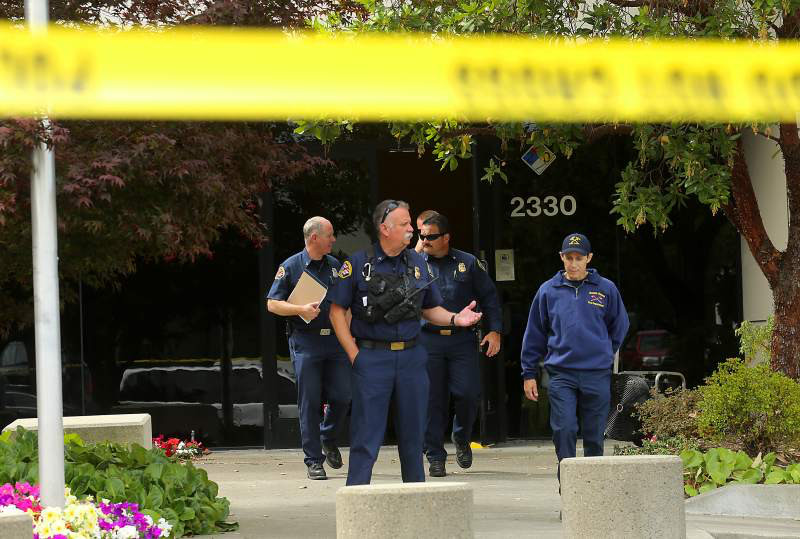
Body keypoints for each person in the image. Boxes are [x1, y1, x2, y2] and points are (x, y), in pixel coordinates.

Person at [329, 199, 483, 486]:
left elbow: (430, 308)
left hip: (412, 359)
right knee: (366, 438)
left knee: (414, 438)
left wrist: (455, 319)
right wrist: (354, 354)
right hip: (372, 358)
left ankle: (416, 508)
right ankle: (358, 508)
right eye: (404, 225)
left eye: (410, 223)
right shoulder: (359, 263)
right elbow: (337, 311)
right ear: (384, 229)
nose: (411, 229)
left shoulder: (417, 263)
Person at [520, 232, 629, 484]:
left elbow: (620, 325)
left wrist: (604, 350)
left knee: (594, 436)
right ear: (561, 258)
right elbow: (534, 333)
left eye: (579, 258)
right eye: (568, 257)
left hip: (596, 373)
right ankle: (569, 489)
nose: (574, 263)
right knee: (564, 430)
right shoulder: (548, 291)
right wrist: (528, 374)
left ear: (589, 258)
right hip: (561, 374)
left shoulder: (606, 289)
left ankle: (592, 492)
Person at [267, 216, 351, 481]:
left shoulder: (336, 266)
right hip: (306, 341)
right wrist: (300, 309)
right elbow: (272, 303)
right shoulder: (291, 267)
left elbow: (345, 304)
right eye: (330, 235)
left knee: (343, 396)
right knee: (310, 401)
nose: (333, 239)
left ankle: (328, 436)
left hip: (335, 341)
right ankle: (314, 460)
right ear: (314, 238)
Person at [419, 212, 502, 477]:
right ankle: (435, 455)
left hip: (462, 341)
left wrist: (495, 331)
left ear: (446, 237)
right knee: (433, 401)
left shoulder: (467, 262)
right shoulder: (416, 264)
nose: (425, 241)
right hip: (428, 340)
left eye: (431, 236)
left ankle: (461, 437)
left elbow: (490, 297)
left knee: (467, 394)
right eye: (422, 236)